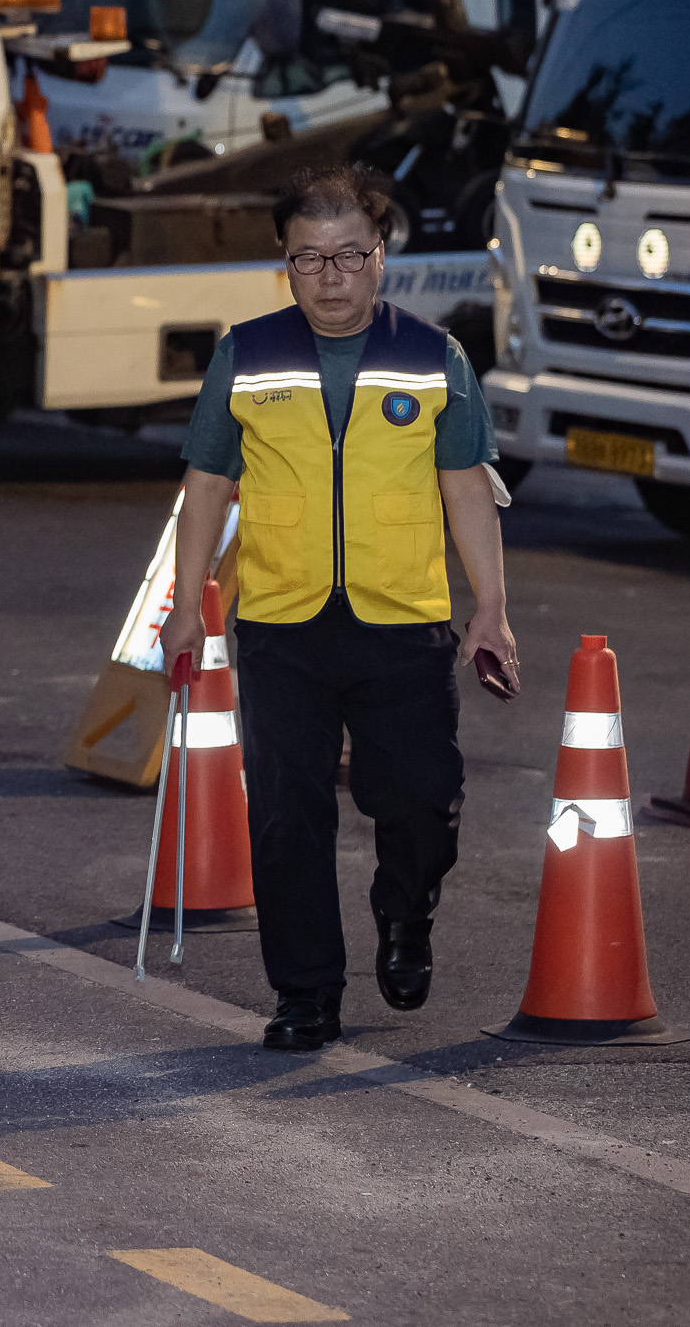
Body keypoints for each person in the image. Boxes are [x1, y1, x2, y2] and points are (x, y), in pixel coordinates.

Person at [159, 164, 515, 1054]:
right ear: (285, 265)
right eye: (308, 258)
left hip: (405, 623)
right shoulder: (246, 355)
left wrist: (491, 609)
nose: (330, 275)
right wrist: (185, 602)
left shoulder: (436, 358)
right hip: (282, 623)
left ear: (381, 257)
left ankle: (407, 913)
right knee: (286, 814)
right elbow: (205, 484)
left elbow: (466, 484)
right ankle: (306, 992)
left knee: (422, 799)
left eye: (349, 254)